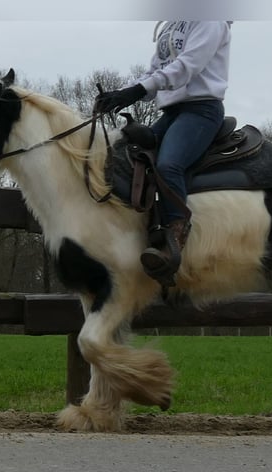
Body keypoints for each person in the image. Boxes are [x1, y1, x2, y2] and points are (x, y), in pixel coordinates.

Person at [95, 21, 233, 287]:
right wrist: (124, 93)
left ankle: (176, 239)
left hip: (201, 111)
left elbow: (187, 67)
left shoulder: (212, 20)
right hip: (171, 113)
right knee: (127, 154)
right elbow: (155, 71)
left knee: (169, 166)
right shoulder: (172, 25)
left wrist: (137, 91)